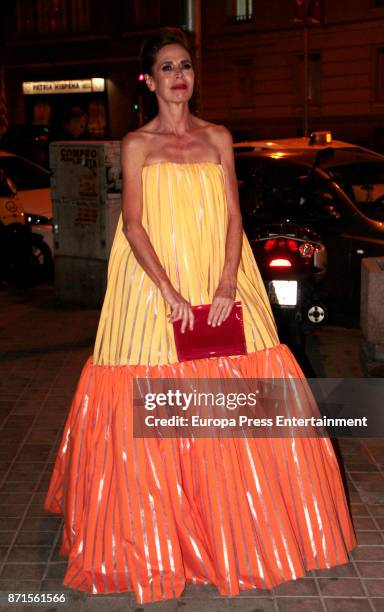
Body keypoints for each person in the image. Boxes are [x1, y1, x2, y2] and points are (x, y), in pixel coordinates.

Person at [44, 27, 356, 605]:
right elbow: (134, 224)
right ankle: (157, 539)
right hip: (151, 285)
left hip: (220, 280)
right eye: (166, 67)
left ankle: (242, 531)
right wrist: (167, 292)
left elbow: (236, 217)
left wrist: (226, 280)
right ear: (149, 79)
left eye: (184, 65)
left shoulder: (218, 137)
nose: (178, 75)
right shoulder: (135, 143)